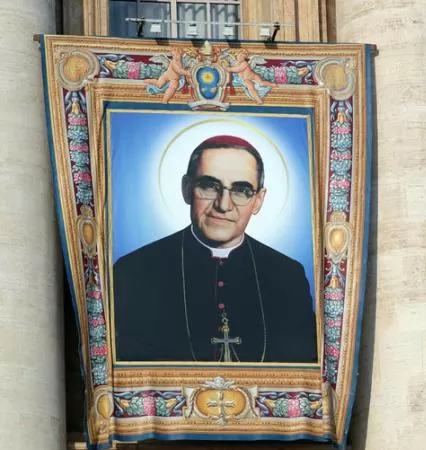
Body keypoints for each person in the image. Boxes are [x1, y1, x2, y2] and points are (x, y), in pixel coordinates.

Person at [113, 135, 317, 363]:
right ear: (186, 188)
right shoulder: (134, 270)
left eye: (241, 190)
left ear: (258, 200)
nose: (223, 205)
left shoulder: (288, 275)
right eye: (210, 186)